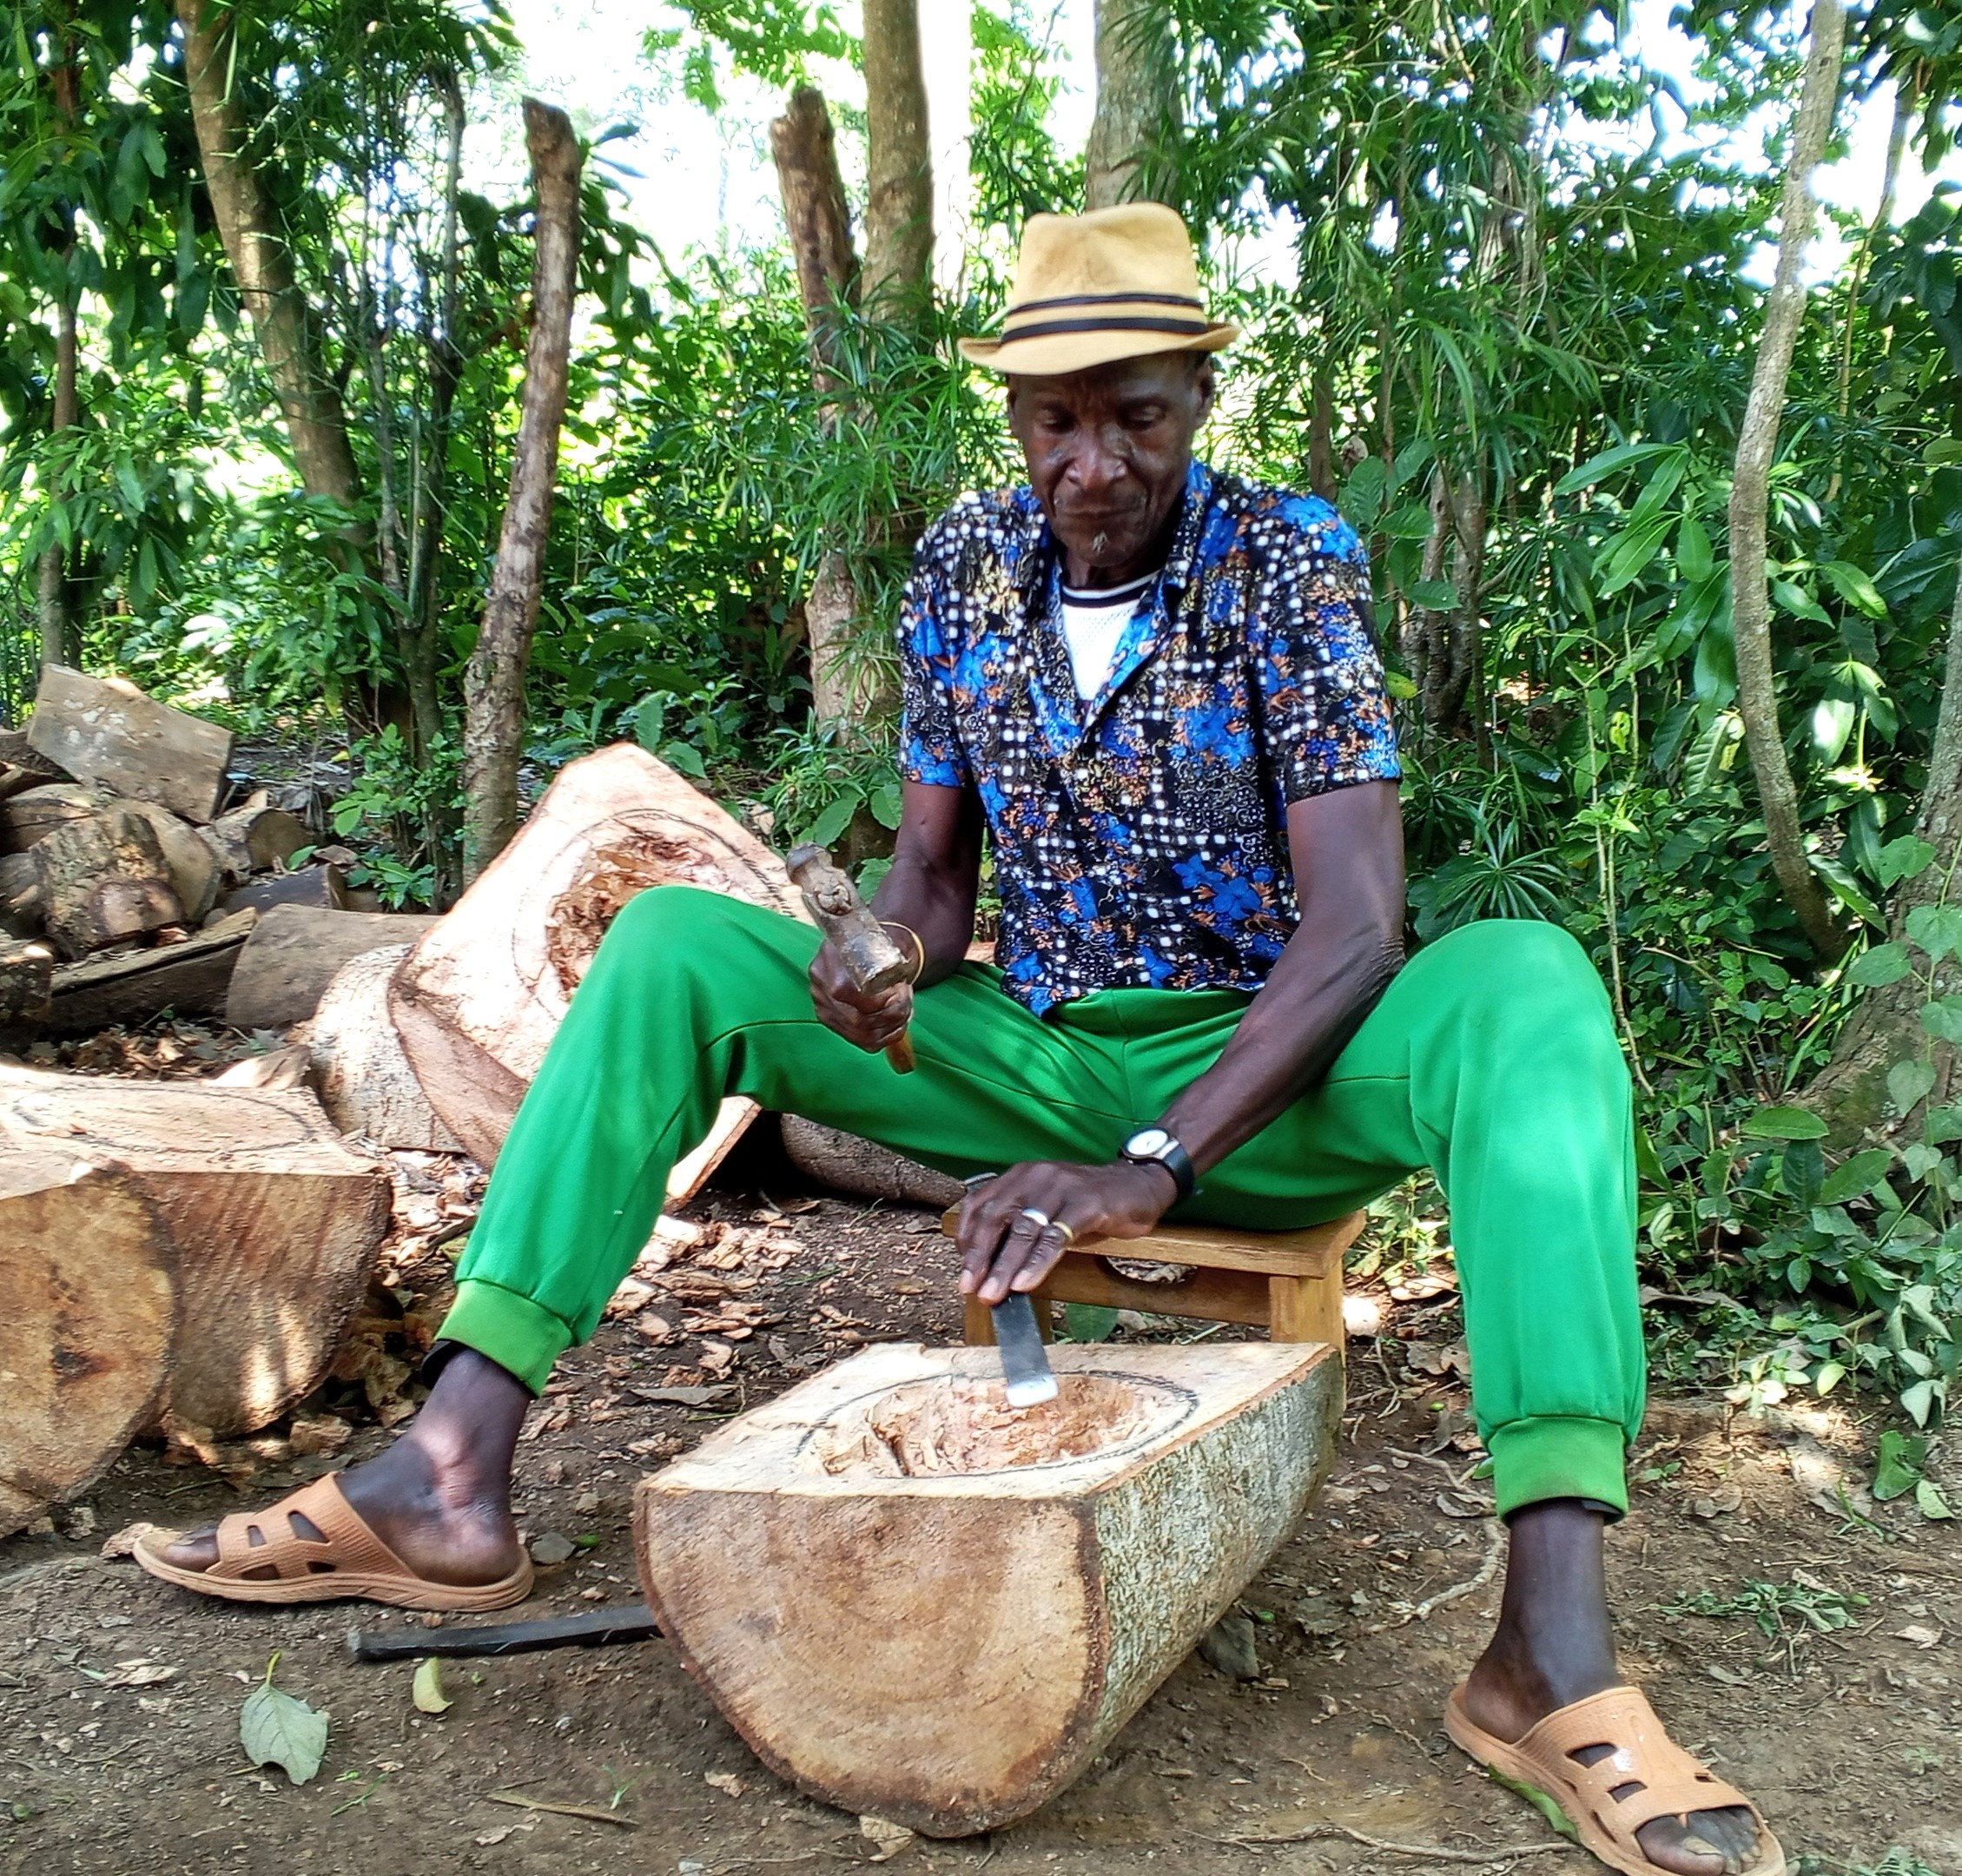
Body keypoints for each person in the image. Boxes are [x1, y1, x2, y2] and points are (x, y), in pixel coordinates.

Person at [138, 204, 1778, 1876]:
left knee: (1528, 983)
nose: (1095, 463)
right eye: (1056, 420)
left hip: (1266, 1069)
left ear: (1200, 396)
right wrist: (890, 954)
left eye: (1136, 413)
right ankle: (452, 1469)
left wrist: (1151, 1166)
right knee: (675, 945)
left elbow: (1357, 927)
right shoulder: (962, 570)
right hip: (1039, 1047)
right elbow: (935, 871)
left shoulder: (1286, 558)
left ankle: (1548, 1647)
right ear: (1013, 416)